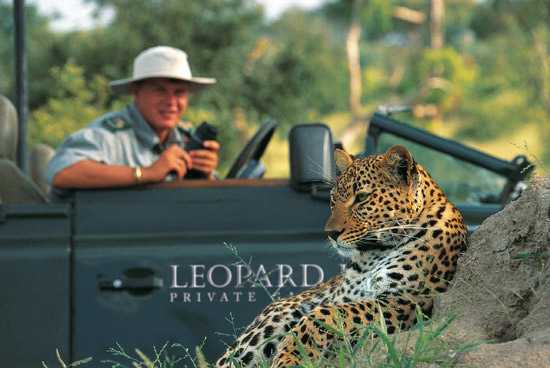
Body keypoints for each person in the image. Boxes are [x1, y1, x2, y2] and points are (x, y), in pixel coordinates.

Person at [46, 46, 220, 189]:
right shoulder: (108, 136)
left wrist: (206, 174)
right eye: (159, 90)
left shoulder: (186, 139)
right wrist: (146, 173)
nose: (171, 102)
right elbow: (61, 173)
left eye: (179, 92)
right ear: (136, 93)